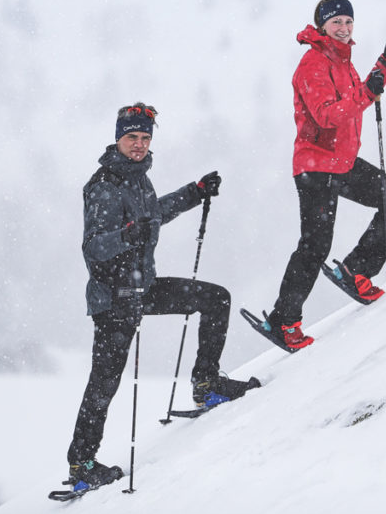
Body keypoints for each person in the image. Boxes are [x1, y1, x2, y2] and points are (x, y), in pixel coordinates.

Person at [64, 102, 259, 491]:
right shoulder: (104, 186)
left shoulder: (139, 179)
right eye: (132, 137)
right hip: (116, 299)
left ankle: (206, 384)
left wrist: (195, 192)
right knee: (104, 383)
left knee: (216, 298)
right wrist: (125, 237)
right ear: (118, 139)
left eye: (145, 137)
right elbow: (92, 249)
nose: (139, 144)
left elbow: (155, 213)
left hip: (144, 287)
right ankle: (82, 463)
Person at [262, 0, 386, 351]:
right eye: (336, 23)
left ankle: (356, 270)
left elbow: (362, 94)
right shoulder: (312, 65)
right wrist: (370, 89)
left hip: (341, 161)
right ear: (322, 27)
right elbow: (327, 115)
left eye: (348, 22)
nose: (344, 29)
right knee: (315, 245)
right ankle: (283, 321)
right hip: (315, 167)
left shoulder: (343, 62)